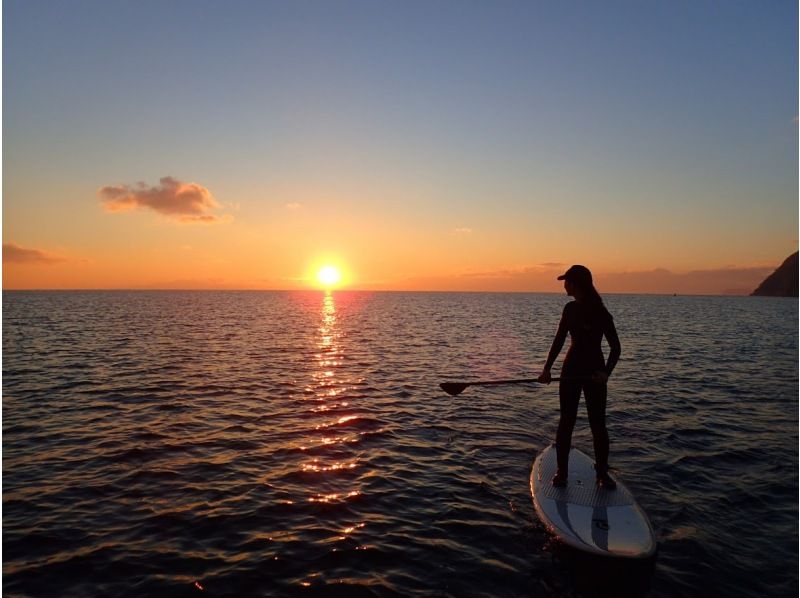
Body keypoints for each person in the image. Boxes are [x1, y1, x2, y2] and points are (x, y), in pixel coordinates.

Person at [538, 265, 621, 489]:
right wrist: (547, 369)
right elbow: (559, 340)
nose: (564, 285)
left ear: (576, 284)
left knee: (598, 424)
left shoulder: (602, 313)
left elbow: (616, 348)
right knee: (567, 421)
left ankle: (602, 474)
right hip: (571, 371)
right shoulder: (569, 309)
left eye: (566, 281)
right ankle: (561, 473)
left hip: (595, 373)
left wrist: (606, 373)